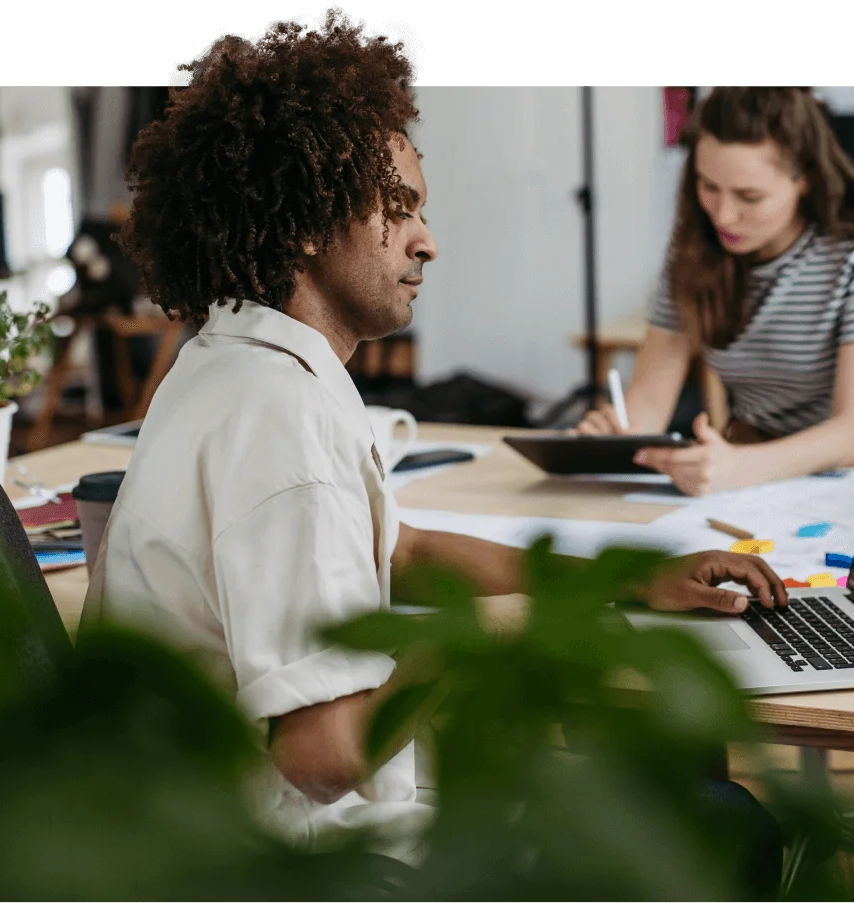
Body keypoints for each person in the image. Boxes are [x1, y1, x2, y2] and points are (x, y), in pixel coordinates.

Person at [82, 12, 787, 894]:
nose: (428, 239)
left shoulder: (236, 364)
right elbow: (322, 752)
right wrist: (503, 637)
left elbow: (400, 550)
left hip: (263, 838)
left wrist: (624, 579)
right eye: (399, 207)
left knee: (682, 779)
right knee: (724, 826)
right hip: (309, 869)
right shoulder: (278, 417)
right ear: (305, 224)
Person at [578, 86, 854, 497]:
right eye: (708, 187)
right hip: (747, 462)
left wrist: (739, 467)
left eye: (749, 197)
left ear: (804, 178)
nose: (723, 215)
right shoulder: (696, 246)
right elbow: (648, 400)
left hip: (853, 473)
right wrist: (619, 437)